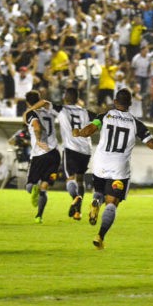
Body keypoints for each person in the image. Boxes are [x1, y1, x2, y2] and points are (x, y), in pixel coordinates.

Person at [73, 88, 153, 250]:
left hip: (100, 164)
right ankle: (100, 236)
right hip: (119, 168)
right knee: (112, 204)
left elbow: (88, 131)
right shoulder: (136, 123)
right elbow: (152, 145)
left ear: (115, 102)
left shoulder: (104, 117)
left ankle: (96, 201)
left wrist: (79, 132)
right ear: (130, 104)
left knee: (100, 191)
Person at [55, 87, 94, 220]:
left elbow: (44, 104)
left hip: (71, 149)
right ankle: (78, 212)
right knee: (80, 179)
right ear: (78, 99)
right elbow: (99, 120)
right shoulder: (86, 112)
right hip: (86, 150)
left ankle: (75, 198)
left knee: (70, 178)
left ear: (65, 98)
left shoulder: (61, 109)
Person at [22, 90, 60, 223]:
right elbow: (45, 103)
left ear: (27, 103)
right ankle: (39, 216)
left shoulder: (31, 114)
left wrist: (38, 140)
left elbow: (37, 126)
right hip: (54, 153)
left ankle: (34, 187)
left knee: (29, 188)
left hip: (39, 154)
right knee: (45, 188)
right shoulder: (49, 112)